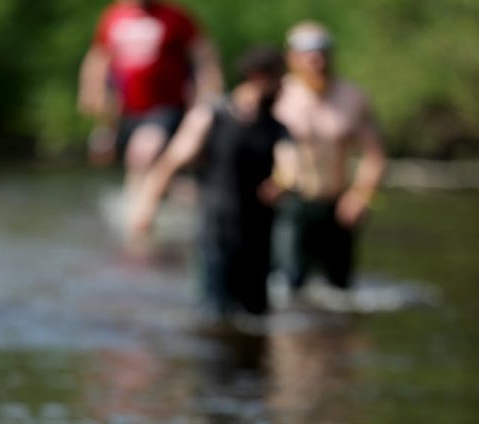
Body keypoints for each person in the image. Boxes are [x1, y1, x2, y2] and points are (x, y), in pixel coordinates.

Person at [127, 46, 298, 321]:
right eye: (279, 80)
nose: (283, 89)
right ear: (259, 77)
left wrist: (281, 183)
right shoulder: (211, 117)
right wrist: (146, 210)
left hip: (259, 236)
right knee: (213, 316)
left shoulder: (277, 127)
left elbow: (289, 165)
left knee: (256, 317)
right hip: (216, 231)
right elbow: (170, 162)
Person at [77, 0, 223, 218]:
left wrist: (209, 89)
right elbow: (99, 57)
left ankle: (141, 212)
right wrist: (91, 91)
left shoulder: (174, 16)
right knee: (139, 161)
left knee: (144, 151)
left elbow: (203, 54)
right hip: (126, 107)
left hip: (165, 105)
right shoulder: (113, 17)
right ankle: (145, 205)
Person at [273, 21, 386, 293]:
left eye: (322, 52)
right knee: (289, 285)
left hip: (338, 205)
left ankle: (336, 335)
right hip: (292, 201)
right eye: (308, 53)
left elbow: (375, 154)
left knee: (340, 290)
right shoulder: (277, 96)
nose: (316, 60)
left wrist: (361, 194)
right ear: (291, 57)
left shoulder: (352, 97)